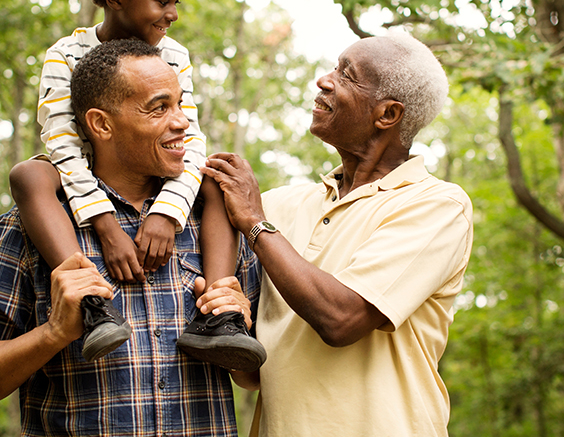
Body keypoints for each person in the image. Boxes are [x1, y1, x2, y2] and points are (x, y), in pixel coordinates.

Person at [0, 39, 261, 435]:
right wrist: (53, 333)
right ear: (101, 124)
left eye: (180, 104)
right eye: (159, 108)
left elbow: (257, 378)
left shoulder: (216, 224)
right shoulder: (32, 228)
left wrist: (239, 323)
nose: (182, 123)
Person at [8, 0, 263, 370]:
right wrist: (104, 225)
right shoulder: (66, 55)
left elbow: (190, 138)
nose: (173, 13)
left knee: (216, 175)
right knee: (30, 173)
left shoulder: (174, 55)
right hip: (85, 179)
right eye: (163, 0)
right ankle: (90, 304)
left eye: (177, 0)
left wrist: (167, 213)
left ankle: (220, 315)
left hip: (159, 176)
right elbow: (63, 142)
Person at [202, 33, 474, 436]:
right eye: (334, 67)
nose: (324, 81)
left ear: (387, 115)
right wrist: (232, 318)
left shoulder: (438, 206)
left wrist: (255, 223)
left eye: (347, 75)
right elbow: (254, 375)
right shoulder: (282, 205)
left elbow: (341, 319)